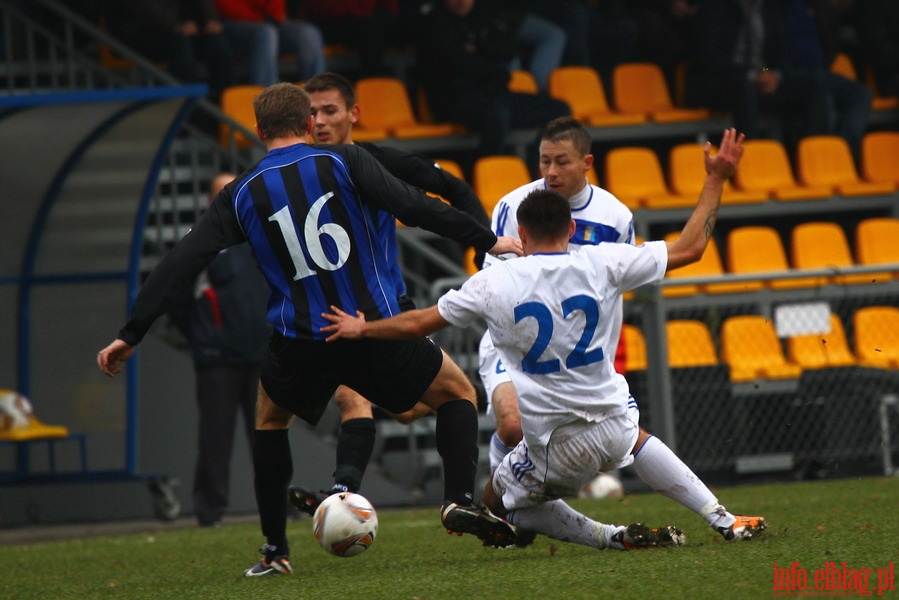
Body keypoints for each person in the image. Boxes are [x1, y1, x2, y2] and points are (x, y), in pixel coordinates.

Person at [96, 83, 526, 577]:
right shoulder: (345, 160)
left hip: (300, 341)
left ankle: (275, 551)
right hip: (370, 329)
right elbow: (414, 206)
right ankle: (457, 500)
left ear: (259, 131)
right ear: (306, 126)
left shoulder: (238, 193)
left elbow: (182, 261)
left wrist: (132, 332)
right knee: (457, 393)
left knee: (270, 421)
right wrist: (488, 240)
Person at [322, 128, 768, 551]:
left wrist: (364, 328)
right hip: (613, 421)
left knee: (495, 500)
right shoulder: (605, 261)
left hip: (557, 441)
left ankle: (608, 536)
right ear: (571, 231)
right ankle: (722, 517)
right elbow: (691, 247)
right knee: (635, 436)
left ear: (521, 234)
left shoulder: (495, 282)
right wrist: (715, 178)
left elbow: (417, 324)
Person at [286, 71, 492, 514]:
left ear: (353, 114)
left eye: (329, 111)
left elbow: (452, 189)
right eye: (311, 113)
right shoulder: (289, 174)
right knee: (352, 395)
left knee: (414, 406)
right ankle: (343, 492)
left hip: (385, 310)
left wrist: (483, 247)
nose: (319, 121)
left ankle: (453, 497)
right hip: (330, 313)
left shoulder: (379, 161)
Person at [479, 116, 635, 476]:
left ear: (586, 163)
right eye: (544, 161)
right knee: (513, 425)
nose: (551, 171)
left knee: (598, 443)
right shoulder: (513, 205)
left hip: (581, 356)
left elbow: (617, 287)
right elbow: (490, 279)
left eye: (561, 162)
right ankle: (500, 502)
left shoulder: (615, 217)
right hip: (519, 345)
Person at [167, 173, 271, 527]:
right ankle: (209, 513)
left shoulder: (262, 237)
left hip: (261, 353)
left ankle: (277, 507)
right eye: (224, 193)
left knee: (268, 436)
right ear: (212, 201)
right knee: (215, 440)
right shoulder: (200, 243)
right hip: (217, 358)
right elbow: (176, 294)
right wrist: (201, 334)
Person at [412, 0, 571, 159]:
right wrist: (487, 59)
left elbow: (508, 49)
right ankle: (488, 170)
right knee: (497, 115)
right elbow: (457, 62)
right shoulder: (433, 22)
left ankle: (532, 166)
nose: (461, 1)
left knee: (559, 110)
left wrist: (479, 48)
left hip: (493, 94)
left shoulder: (483, 16)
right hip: (455, 100)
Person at [685, 0, 831, 146]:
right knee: (745, 87)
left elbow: (774, 56)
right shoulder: (715, 6)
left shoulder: (769, 7)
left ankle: (817, 152)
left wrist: (772, 74)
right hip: (721, 83)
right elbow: (709, 58)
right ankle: (749, 155)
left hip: (759, 77)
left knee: (815, 82)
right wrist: (751, 74)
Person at [105, 0, 234, 100]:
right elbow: (149, 13)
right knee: (180, 43)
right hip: (136, 33)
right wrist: (177, 26)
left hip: (176, 30)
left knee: (216, 41)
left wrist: (210, 20)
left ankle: (225, 104)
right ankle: (189, 110)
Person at [214, 0, 325, 85]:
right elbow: (225, 7)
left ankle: (316, 94)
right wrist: (260, 20)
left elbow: (276, 12)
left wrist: (273, 18)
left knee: (309, 33)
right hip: (227, 26)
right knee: (266, 32)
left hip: (268, 25)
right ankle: (269, 105)